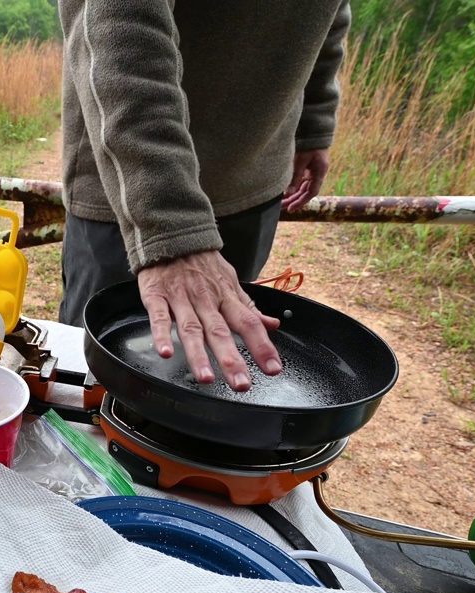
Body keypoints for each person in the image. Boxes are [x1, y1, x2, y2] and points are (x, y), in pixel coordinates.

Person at [56, 0, 352, 391]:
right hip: (131, 191)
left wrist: (315, 119)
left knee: (205, 368)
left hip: (255, 176)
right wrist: (170, 228)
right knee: (95, 382)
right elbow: (118, 22)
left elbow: (331, 14)